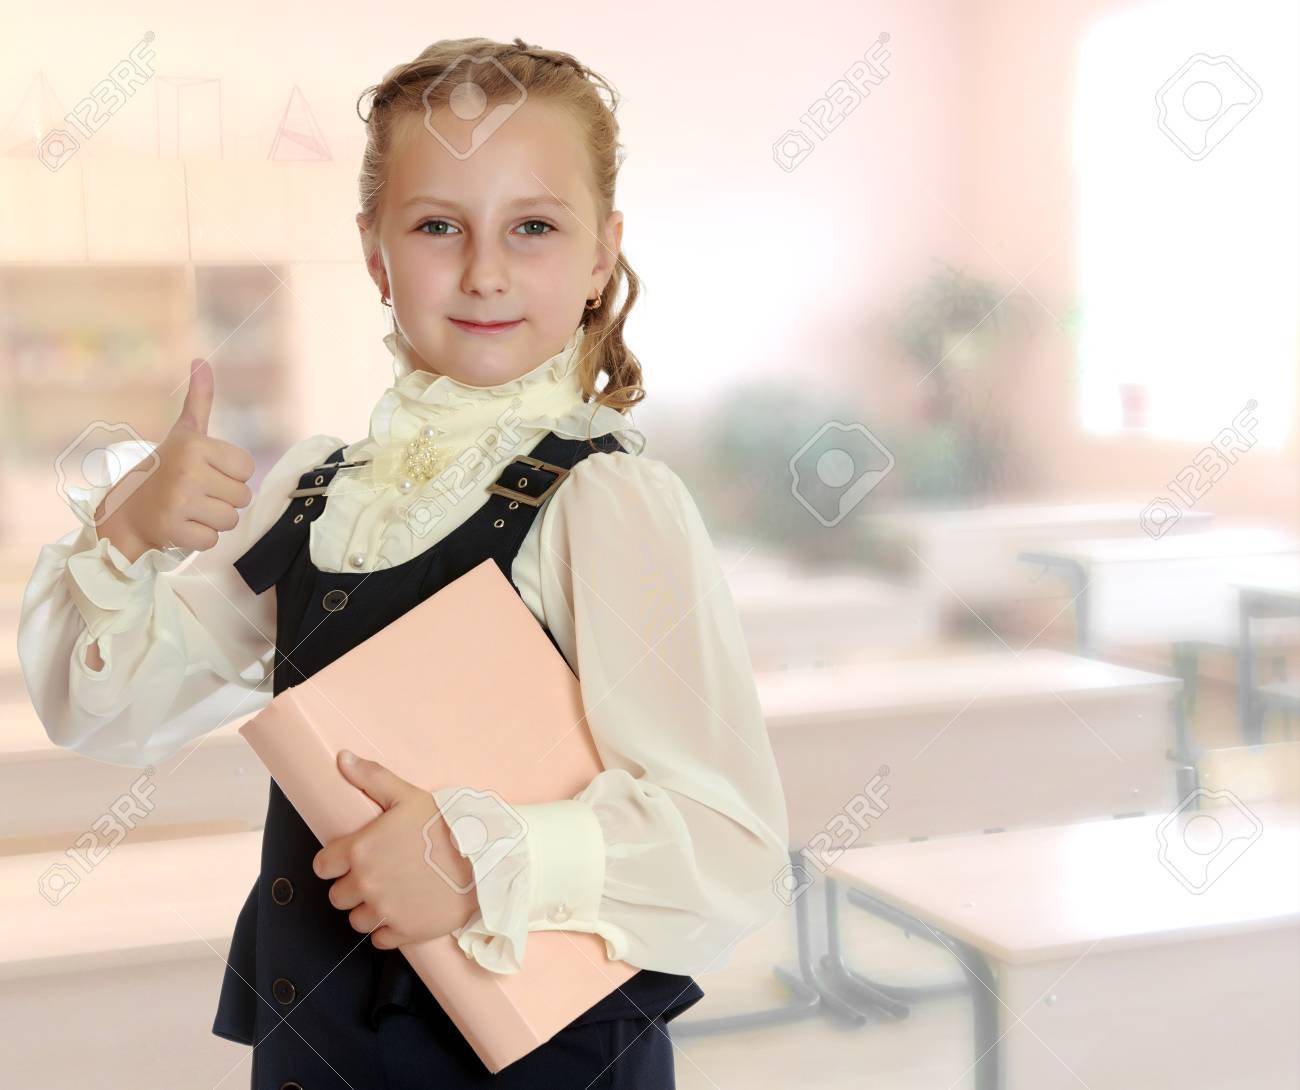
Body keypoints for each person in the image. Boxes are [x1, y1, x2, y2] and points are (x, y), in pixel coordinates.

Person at [17, 35, 790, 1090]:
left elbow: (729, 846)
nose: (482, 270)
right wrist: (129, 534)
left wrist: (480, 857)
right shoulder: (314, 491)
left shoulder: (609, 501)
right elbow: (106, 712)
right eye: (437, 226)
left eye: (533, 226)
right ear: (376, 253)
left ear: (602, 253)